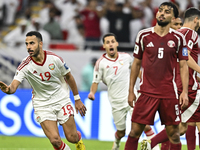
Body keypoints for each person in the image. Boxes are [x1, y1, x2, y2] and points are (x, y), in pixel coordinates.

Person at [0, 31, 87, 150]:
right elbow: (14, 86)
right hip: (42, 104)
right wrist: (8, 89)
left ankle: (78, 140)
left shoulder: (55, 59)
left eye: (32, 43)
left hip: (61, 99)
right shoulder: (25, 65)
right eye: (26, 44)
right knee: (55, 141)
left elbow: (69, 77)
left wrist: (77, 99)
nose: (29, 47)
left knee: (72, 138)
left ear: (40, 44)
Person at [124, 2, 189, 150]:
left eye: (167, 12)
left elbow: (183, 66)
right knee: (134, 132)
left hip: (169, 93)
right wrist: (130, 91)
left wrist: (184, 92)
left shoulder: (178, 39)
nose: (162, 13)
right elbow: (136, 64)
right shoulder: (144, 35)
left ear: (173, 18)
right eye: (160, 10)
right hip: (146, 92)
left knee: (174, 135)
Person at [88, 33, 159, 150]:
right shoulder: (100, 63)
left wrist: (147, 82)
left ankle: (155, 147)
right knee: (121, 132)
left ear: (117, 43)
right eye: (107, 42)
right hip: (116, 102)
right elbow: (95, 82)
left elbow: (137, 71)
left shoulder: (126, 57)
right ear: (104, 46)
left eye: (112, 41)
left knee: (144, 125)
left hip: (132, 97)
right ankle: (117, 141)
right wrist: (92, 93)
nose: (110, 44)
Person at [148, 7, 200, 150]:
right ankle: (151, 143)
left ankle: (151, 143)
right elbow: (186, 57)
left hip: (176, 84)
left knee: (182, 126)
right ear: (196, 20)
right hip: (189, 86)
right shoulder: (191, 33)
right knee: (181, 126)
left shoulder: (176, 35)